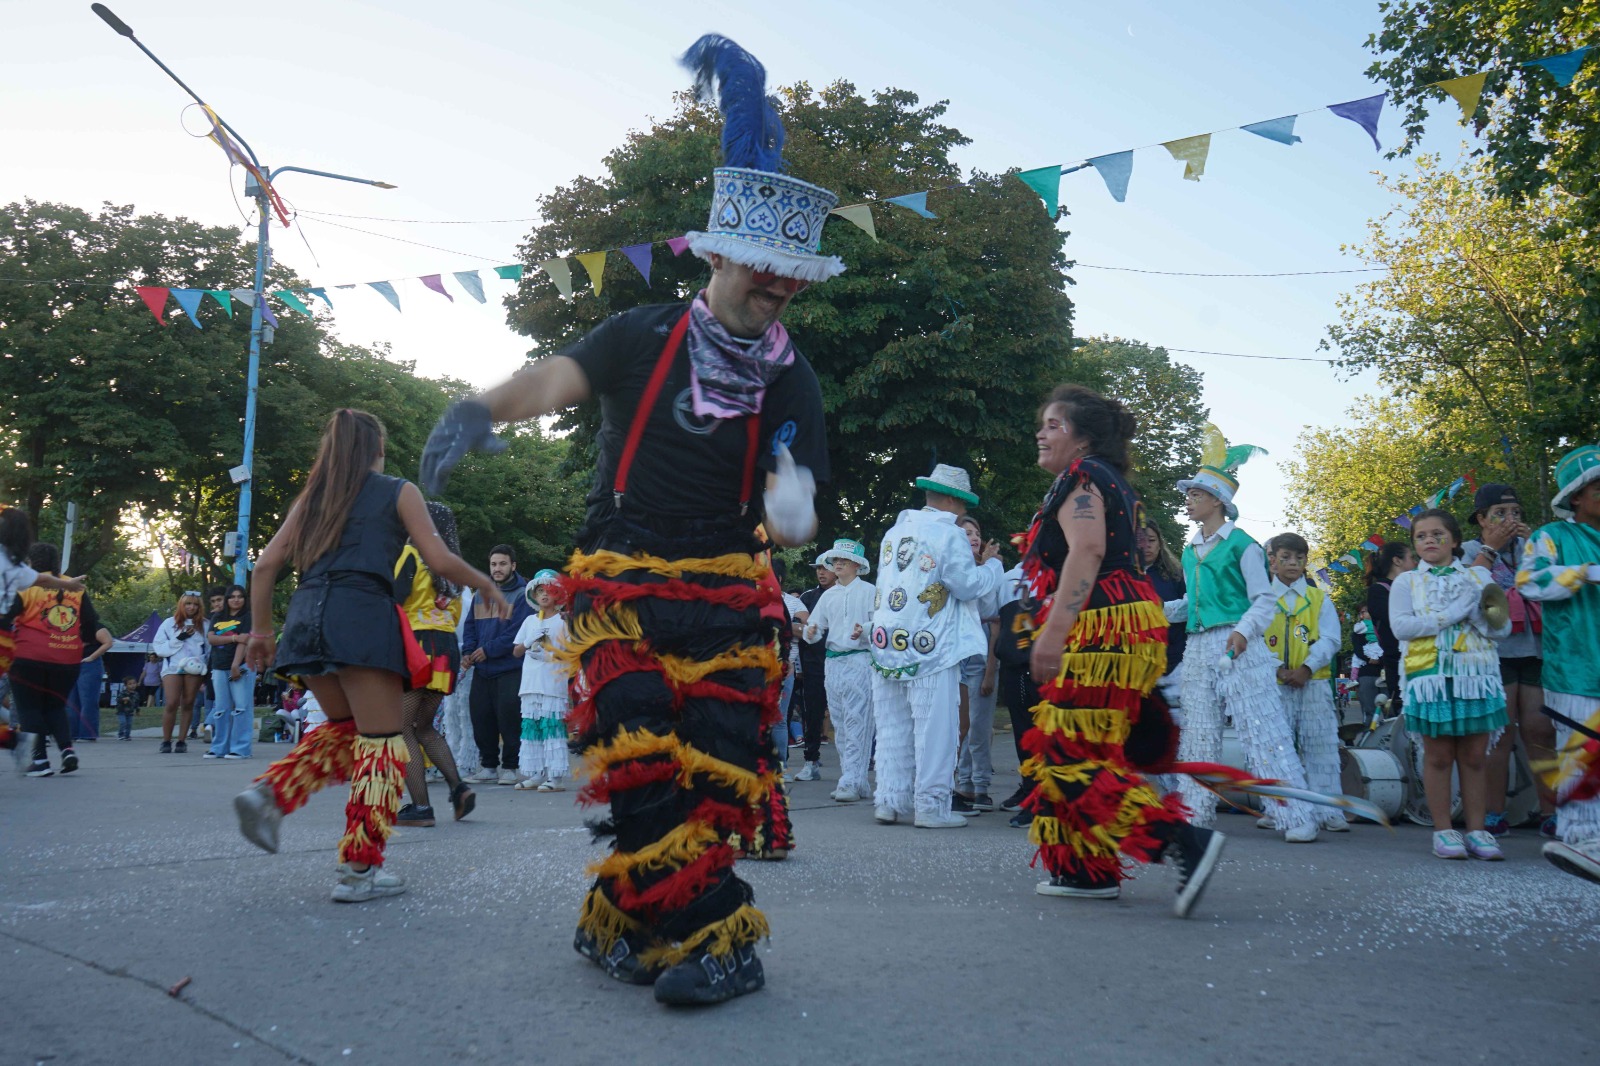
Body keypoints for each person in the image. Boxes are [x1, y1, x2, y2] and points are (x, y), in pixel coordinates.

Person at [416, 33, 835, 1007]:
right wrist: (479, 408)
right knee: (642, 766)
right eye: (759, 274)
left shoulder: (791, 375)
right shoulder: (641, 334)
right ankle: (719, 939)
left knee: (717, 775)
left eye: (788, 281)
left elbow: (803, 511)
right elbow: (550, 380)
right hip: (622, 588)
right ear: (720, 253)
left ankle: (626, 914)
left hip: (732, 597)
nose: (773, 291)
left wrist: (793, 503)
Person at [233, 409, 506, 903]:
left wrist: (260, 630)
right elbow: (439, 558)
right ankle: (359, 868)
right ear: (376, 448)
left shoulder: (312, 497)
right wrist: (485, 582)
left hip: (306, 618)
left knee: (346, 731)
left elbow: (265, 566)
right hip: (361, 617)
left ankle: (270, 795)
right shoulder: (398, 490)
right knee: (382, 745)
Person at [1019, 385, 1223, 912]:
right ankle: (1087, 870)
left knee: (1065, 752)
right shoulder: (1108, 482)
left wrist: (1054, 631)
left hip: (1102, 624)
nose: (1041, 433)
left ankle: (1181, 842)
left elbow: (1087, 551)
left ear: (1083, 438)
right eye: (1041, 423)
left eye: (1054, 425)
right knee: (1091, 747)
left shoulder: (1082, 479)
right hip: (1128, 619)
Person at [1166, 433, 1320, 843]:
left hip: (1240, 647)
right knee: (1198, 732)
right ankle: (1193, 813)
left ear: (1217, 500)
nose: (1189, 499)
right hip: (1199, 647)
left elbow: (1263, 600)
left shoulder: (1243, 545)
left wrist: (1242, 632)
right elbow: (1193, 602)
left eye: (1196, 493)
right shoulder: (1188, 549)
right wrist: (1153, 611)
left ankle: (1294, 814)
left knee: (1262, 730)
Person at [868, 463, 1005, 829]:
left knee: (893, 725)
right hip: (930, 643)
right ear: (952, 499)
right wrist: (992, 568)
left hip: (887, 641)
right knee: (935, 727)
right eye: (962, 505)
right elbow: (965, 586)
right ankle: (931, 805)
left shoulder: (895, 531)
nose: (963, 514)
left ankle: (889, 800)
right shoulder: (949, 535)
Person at [1389, 508, 1509, 860]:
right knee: (1438, 755)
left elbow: (1500, 629)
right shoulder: (1406, 582)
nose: (1429, 540)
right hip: (1429, 677)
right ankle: (1443, 830)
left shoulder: (1477, 579)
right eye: (1421, 536)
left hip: (1476, 675)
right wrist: (1452, 614)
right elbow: (1402, 628)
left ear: (1455, 541)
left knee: (1474, 755)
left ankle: (1478, 830)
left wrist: (1478, 616)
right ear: (1414, 545)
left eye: (1437, 534)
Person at [1515, 444, 1600, 883]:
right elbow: (1529, 581)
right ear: (1576, 498)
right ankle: (1581, 840)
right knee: (1584, 756)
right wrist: (1583, 573)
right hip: (1576, 669)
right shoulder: (1552, 536)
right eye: (1598, 488)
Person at [1460, 483, 1556, 836]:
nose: (1510, 519)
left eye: (1515, 512)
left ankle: (1552, 812)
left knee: (1540, 729)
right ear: (1482, 519)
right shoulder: (1470, 550)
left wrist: (1538, 552)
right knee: (1499, 734)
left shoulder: (1534, 549)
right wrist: (1493, 548)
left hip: (1536, 648)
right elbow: (1469, 589)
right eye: (1500, 513)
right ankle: (1493, 813)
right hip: (1493, 653)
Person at [393, 500, 474, 827]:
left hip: (417, 645)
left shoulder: (411, 555)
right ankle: (459, 788)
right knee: (424, 726)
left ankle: (422, 808)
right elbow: (455, 614)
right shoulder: (453, 566)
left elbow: (395, 600)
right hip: (445, 649)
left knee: (402, 728)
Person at [1260, 533, 1348, 833]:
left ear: (1306, 561)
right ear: (1272, 561)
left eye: (1299, 558)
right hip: (1274, 684)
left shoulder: (1318, 598)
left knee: (1320, 744)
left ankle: (1327, 808)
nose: (1293, 564)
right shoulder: (1261, 599)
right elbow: (1255, 639)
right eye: (1285, 557)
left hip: (1314, 682)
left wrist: (1307, 667)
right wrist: (1279, 669)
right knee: (1276, 747)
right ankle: (1277, 808)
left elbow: (1331, 638)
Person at [5, 540, 92, 776]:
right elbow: (91, 625)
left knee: (29, 708)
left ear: (31, 562)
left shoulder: (26, 586)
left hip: (28, 655)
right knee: (55, 707)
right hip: (67, 658)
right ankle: (67, 750)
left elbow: (6, 616)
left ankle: (40, 761)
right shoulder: (74, 586)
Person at [801, 539, 876, 804]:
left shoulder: (869, 591)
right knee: (841, 723)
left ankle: (850, 782)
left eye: (844, 559)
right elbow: (814, 627)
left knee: (858, 720)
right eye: (835, 559)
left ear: (857, 564)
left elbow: (880, 623)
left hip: (859, 660)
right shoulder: (828, 595)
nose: (838, 563)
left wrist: (864, 630)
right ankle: (855, 780)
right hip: (832, 662)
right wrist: (811, 632)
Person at [461, 544, 533, 786]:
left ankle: (511, 767)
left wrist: (487, 650)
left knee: (509, 718)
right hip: (482, 669)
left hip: (510, 668)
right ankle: (488, 766)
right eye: (493, 564)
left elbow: (517, 632)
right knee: (481, 717)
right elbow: (470, 626)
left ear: (513, 566)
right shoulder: (480, 593)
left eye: (503, 563)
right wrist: (468, 651)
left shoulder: (524, 595)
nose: (497, 568)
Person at [954, 515, 1003, 814]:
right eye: (966, 532)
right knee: (959, 725)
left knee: (979, 723)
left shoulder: (991, 572)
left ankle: (980, 785)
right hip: (952, 650)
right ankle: (963, 783)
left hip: (980, 649)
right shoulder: (949, 569)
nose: (973, 536)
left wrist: (990, 668)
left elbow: (992, 615)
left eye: (977, 532)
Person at [513, 568, 571, 792]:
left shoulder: (563, 621)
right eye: (540, 591)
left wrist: (549, 654)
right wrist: (529, 643)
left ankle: (555, 778)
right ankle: (536, 774)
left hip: (552, 684)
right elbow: (517, 651)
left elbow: (572, 653)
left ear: (558, 594)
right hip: (529, 684)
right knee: (532, 728)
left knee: (552, 728)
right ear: (534, 596)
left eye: (549, 590)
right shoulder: (528, 621)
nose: (544, 594)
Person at [789, 556, 836, 782]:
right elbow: (799, 631)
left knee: (845, 715)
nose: (821, 572)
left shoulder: (848, 594)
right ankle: (810, 761)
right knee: (812, 714)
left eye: (826, 567)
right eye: (818, 568)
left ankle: (856, 764)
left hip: (842, 663)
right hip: (813, 666)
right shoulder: (808, 597)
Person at [1137, 522, 1186, 715]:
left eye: (1151, 540)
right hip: (1136, 667)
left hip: (1174, 664)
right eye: (1140, 541)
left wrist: (1161, 609)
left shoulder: (1176, 575)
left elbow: (1192, 608)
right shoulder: (1120, 577)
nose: (1147, 546)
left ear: (1159, 544)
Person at [203, 585, 255, 760]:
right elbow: (211, 639)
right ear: (227, 599)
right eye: (232, 597)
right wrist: (233, 637)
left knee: (241, 708)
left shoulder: (247, 617)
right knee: (221, 709)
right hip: (218, 666)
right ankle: (219, 748)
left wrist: (235, 665)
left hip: (240, 667)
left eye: (240, 596)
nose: (236, 600)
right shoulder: (217, 616)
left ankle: (241, 748)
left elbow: (244, 641)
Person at [153, 591, 208, 753]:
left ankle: (182, 741)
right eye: (188, 604)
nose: (191, 607)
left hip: (195, 669)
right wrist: (180, 637)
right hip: (172, 668)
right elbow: (159, 647)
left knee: (189, 703)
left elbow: (209, 648)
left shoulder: (205, 625)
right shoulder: (168, 623)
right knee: (171, 703)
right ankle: (166, 741)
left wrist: (205, 670)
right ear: (181, 605)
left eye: (195, 604)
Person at [1364, 541, 1416, 713]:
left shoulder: (1417, 586)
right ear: (1397, 561)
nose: (1416, 563)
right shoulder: (1378, 591)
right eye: (1411, 558)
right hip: (1399, 662)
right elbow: (1399, 622)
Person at [67, 608, 112, 743]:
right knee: (71, 701)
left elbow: (108, 642)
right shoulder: (69, 628)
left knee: (88, 700)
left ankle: (87, 734)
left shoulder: (95, 627)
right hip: (71, 666)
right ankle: (72, 733)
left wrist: (92, 657)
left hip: (89, 665)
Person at [1351, 606, 1384, 723]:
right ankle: (1368, 736)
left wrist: (1381, 660)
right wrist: (1369, 659)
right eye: (1361, 612)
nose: (1363, 614)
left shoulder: (1382, 625)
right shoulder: (1358, 630)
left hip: (1384, 673)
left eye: (1365, 611)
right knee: (1369, 711)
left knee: (1390, 710)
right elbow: (1357, 648)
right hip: (1366, 673)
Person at [115, 675, 140, 740]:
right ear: (126, 685)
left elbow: (136, 703)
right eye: (130, 684)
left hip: (130, 712)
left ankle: (127, 735)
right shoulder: (123, 693)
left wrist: (137, 711)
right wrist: (123, 699)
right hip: (122, 711)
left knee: (129, 724)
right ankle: (121, 734)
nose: (133, 685)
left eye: (134, 683)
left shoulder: (136, 694)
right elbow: (117, 699)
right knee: (123, 722)